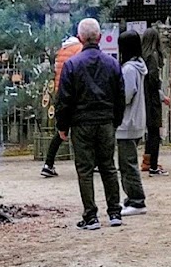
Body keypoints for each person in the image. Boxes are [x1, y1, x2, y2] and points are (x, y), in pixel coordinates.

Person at [56, 18, 124, 230]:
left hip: (81, 123)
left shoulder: (72, 65)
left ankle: (91, 215)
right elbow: (120, 96)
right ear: (100, 37)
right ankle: (114, 212)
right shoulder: (112, 63)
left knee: (84, 169)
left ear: (80, 38)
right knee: (108, 167)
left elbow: (64, 99)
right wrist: (116, 120)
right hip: (105, 121)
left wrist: (62, 125)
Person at [116, 30, 149, 216]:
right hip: (136, 121)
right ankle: (131, 199)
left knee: (127, 165)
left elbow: (126, 96)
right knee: (127, 163)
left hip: (127, 122)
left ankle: (137, 201)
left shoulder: (129, 69)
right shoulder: (139, 65)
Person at [42, 34, 83, 178]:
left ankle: (48, 164)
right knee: (82, 128)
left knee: (61, 130)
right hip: (75, 93)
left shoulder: (62, 50)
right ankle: (88, 163)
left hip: (61, 91)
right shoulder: (79, 49)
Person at [140, 27, 169, 176]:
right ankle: (153, 165)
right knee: (154, 132)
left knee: (146, 131)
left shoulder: (142, 56)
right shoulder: (153, 55)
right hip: (151, 98)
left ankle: (146, 161)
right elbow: (153, 77)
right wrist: (159, 92)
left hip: (142, 97)